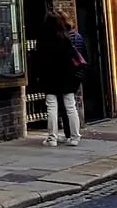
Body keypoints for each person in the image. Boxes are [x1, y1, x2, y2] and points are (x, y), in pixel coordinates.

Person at [30, 9, 86, 146]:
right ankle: (74, 137)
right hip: (68, 77)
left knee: (51, 108)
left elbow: (38, 60)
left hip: (50, 78)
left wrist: (39, 76)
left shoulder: (43, 39)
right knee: (71, 106)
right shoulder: (66, 37)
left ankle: (52, 138)